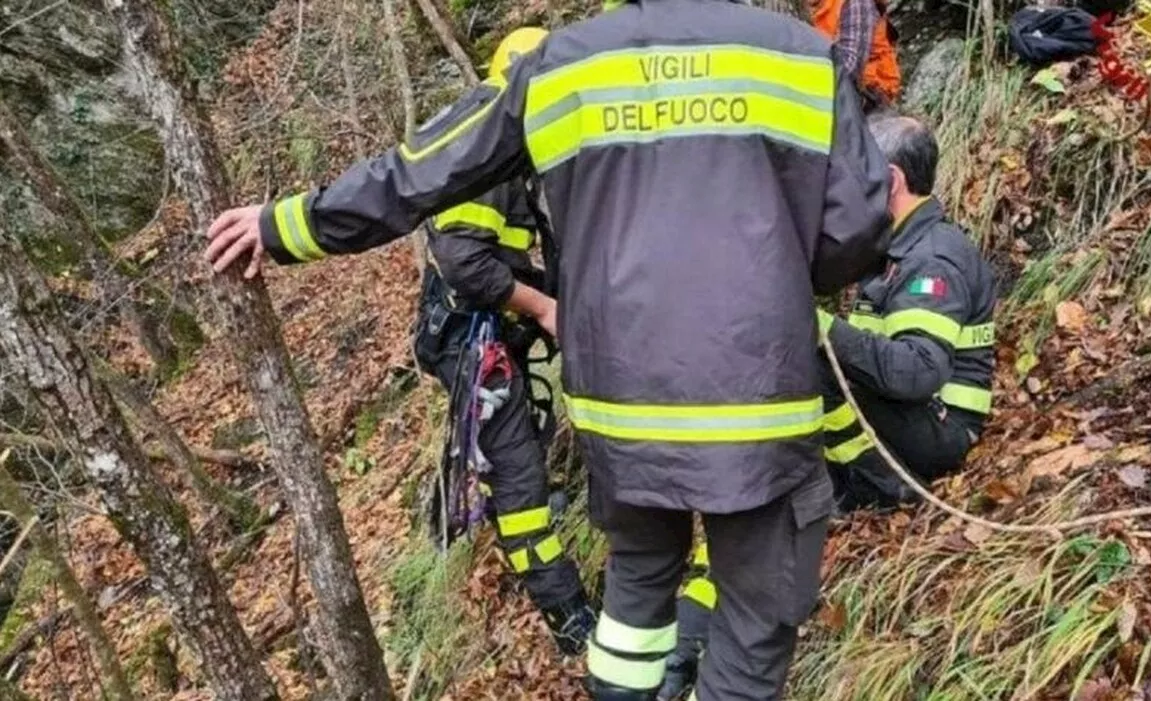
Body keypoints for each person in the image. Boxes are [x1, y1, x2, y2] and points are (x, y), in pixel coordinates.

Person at [202, 0, 893, 697]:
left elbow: (424, 170)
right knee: (754, 614)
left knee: (637, 589)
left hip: (620, 408)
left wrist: (287, 223)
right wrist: (774, 274)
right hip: (756, 398)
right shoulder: (797, 55)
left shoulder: (561, 67)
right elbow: (859, 224)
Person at [658, 112, 996, 700]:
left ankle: (855, 483)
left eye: (854, 175)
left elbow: (916, 373)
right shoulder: (894, 247)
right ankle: (683, 651)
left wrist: (817, 326)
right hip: (892, 426)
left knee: (804, 359)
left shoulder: (934, 258)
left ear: (888, 181)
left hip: (936, 434)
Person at [412, 27, 597, 657]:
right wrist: (546, 306)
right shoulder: (489, 143)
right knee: (517, 478)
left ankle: (446, 515)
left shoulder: (499, 137)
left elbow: (507, 254)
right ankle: (568, 615)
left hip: (483, 326)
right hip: (472, 338)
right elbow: (463, 259)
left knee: (508, 448)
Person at [809, 0, 903, 106]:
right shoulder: (803, 8)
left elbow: (850, 69)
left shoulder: (857, 3)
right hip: (829, 85)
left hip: (869, 95)